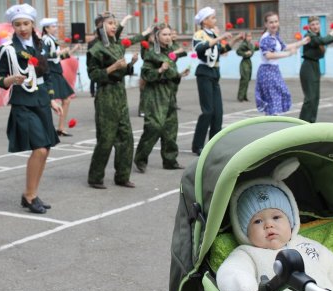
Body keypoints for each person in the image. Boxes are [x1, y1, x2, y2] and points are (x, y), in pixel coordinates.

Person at [217, 159, 333, 291]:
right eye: (258, 221)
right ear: (243, 231)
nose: (269, 225)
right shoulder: (247, 254)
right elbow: (233, 274)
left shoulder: (307, 244)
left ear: (291, 221)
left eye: (276, 217)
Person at [0, 4, 62, 213]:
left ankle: (31, 193)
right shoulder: (8, 49)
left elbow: (48, 75)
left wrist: (52, 99)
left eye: (26, 23)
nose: (22, 28)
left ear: (33, 24)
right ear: (12, 26)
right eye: (17, 24)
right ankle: (30, 195)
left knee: (46, 149)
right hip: (23, 102)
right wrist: (10, 80)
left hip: (41, 100)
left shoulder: (40, 44)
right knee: (39, 148)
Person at [86, 12, 151, 189]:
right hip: (106, 96)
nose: (114, 26)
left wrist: (131, 64)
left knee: (126, 138)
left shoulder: (116, 45)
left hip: (120, 95)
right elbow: (93, 75)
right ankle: (95, 177)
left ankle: (122, 176)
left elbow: (122, 70)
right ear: (100, 27)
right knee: (106, 139)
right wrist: (114, 67)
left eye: (115, 23)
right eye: (110, 23)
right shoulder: (96, 49)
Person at [133, 23, 189, 173]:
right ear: (157, 37)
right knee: (154, 127)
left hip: (169, 93)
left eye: (169, 34)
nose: (168, 37)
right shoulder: (151, 53)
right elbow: (146, 74)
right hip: (155, 94)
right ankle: (140, 158)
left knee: (171, 127)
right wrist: (159, 70)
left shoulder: (171, 51)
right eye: (164, 34)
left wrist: (180, 74)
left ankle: (170, 160)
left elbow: (172, 71)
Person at [191, 7, 243, 156]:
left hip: (214, 73)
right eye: (212, 18)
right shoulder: (199, 34)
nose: (215, 20)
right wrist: (220, 37)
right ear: (204, 21)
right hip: (204, 72)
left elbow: (222, 50)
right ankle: (197, 145)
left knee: (218, 112)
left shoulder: (213, 34)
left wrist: (234, 40)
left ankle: (214, 143)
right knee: (207, 111)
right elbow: (200, 49)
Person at [255, 11, 309, 116]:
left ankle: (272, 123)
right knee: (273, 98)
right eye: (271, 22)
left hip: (274, 70)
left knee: (280, 94)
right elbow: (269, 55)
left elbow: (284, 46)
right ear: (266, 24)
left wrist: (302, 42)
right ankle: (271, 126)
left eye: (276, 21)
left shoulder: (274, 37)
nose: (274, 24)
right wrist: (288, 54)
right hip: (267, 71)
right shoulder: (267, 38)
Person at [299, 16, 333, 123]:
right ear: (309, 26)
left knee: (315, 98)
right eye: (313, 25)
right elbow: (322, 41)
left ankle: (311, 122)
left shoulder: (317, 36)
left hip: (315, 66)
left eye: (317, 24)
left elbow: (322, 42)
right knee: (310, 98)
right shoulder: (309, 36)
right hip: (308, 67)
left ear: (320, 25)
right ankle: (301, 123)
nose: (315, 26)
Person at [40, 18, 80, 137]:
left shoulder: (53, 40)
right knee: (48, 101)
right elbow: (44, 56)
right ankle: (44, 127)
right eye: (53, 26)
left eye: (55, 26)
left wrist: (72, 50)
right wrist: (58, 53)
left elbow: (58, 58)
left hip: (57, 71)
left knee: (66, 99)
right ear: (46, 28)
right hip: (50, 71)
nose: (55, 28)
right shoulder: (46, 40)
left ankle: (61, 128)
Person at [236, 32, 256, 102]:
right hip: (244, 63)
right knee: (244, 80)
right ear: (245, 37)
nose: (250, 38)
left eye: (250, 36)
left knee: (247, 79)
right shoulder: (243, 44)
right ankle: (240, 97)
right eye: (248, 36)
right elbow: (238, 51)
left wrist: (253, 50)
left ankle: (244, 96)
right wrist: (245, 53)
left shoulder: (250, 44)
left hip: (249, 62)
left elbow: (252, 51)